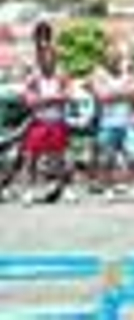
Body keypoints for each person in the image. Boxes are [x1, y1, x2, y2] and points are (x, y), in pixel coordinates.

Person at [20, 22, 74, 204]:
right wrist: (51, 99)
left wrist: (47, 99)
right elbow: (29, 100)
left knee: (60, 158)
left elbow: (67, 95)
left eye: (51, 57)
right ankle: (27, 190)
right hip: (39, 121)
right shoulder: (34, 76)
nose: (47, 60)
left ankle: (65, 189)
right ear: (40, 59)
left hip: (57, 121)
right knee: (31, 157)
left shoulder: (61, 74)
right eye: (44, 57)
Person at [89, 44, 134, 196]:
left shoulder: (128, 73)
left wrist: (113, 93)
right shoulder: (98, 73)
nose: (114, 59)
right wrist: (124, 93)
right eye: (111, 57)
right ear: (106, 59)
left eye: (117, 57)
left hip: (127, 122)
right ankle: (108, 187)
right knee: (107, 158)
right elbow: (101, 96)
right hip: (107, 123)